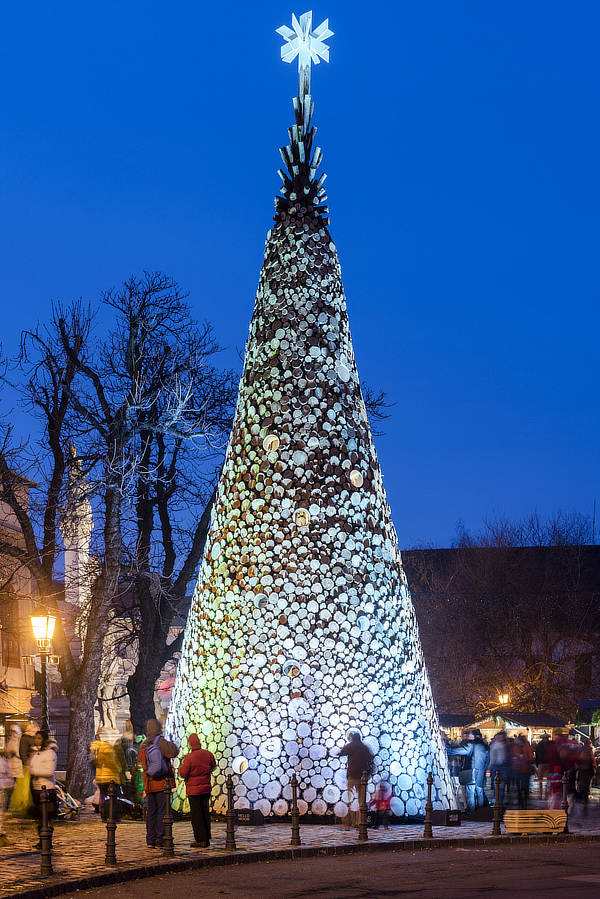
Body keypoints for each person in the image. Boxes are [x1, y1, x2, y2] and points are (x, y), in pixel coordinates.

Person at [138, 719, 178, 849]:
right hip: (162, 783)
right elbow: (174, 752)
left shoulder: (143, 744)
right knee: (163, 811)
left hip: (149, 783)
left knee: (151, 812)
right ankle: (161, 838)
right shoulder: (160, 742)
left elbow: (141, 763)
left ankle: (150, 839)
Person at [179, 733, 216, 848]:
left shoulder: (189, 758)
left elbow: (183, 773)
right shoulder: (208, 754)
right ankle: (207, 836)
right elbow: (213, 766)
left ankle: (200, 839)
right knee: (205, 812)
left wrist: (181, 767)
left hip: (194, 790)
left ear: (190, 744)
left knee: (196, 815)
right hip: (205, 788)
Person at [447, 729, 489, 811]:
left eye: (470, 734)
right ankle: (481, 811)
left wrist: (448, 750)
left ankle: (472, 812)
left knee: (470, 792)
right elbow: (488, 760)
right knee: (479, 791)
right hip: (481, 771)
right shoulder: (485, 746)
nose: (468, 736)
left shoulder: (471, 744)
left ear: (474, 736)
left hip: (471, 770)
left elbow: (461, 751)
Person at [29, 733, 58, 850]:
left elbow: (49, 771)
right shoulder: (36, 753)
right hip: (36, 788)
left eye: (39, 738)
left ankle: (48, 841)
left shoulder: (50, 753)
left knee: (47, 817)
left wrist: (34, 771)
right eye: (35, 738)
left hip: (47, 789)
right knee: (40, 818)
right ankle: (41, 840)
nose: (36, 740)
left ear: (44, 740)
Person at [339, 732, 374, 826]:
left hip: (351, 776)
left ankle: (348, 820)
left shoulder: (351, 746)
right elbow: (371, 758)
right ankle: (360, 822)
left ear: (353, 738)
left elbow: (342, 752)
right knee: (361, 801)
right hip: (361, 777)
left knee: (348, 798)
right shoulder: (364, 747)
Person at [90, 733, 124, 820]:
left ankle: (104, 815)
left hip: (100, 777)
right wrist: (120, 770)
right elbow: (112, 764)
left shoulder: (97, 747)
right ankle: (113, 816)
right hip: (110, 777)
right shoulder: (108, 749)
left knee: (103, 797)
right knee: (114, 797)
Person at [489, 729, 510, 805]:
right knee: (498, 784)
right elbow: (492, 756)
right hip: (497, 766)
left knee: (500, 784)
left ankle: (499, 800)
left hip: (502, 766)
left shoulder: (505, 745)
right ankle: (498, 800)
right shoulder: (496, 745)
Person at [0, 748, 15, 846]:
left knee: (1, 813)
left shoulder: (3, 759)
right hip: (1, 787)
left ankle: (2, 835)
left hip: (3, 787)